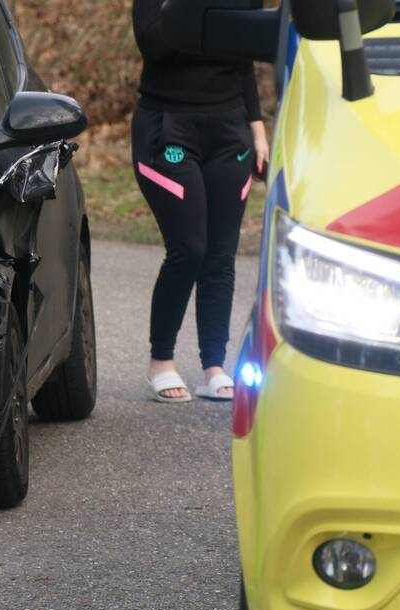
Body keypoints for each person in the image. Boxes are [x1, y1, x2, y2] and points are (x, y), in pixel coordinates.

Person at [131, 0, 269, 403]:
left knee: (220, 254)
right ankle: (161, 361)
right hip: (167, 127)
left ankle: (214, 366)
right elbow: (155, 46)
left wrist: (257, 128)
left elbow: (244, 59)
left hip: (229, 130)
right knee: (189, 249)